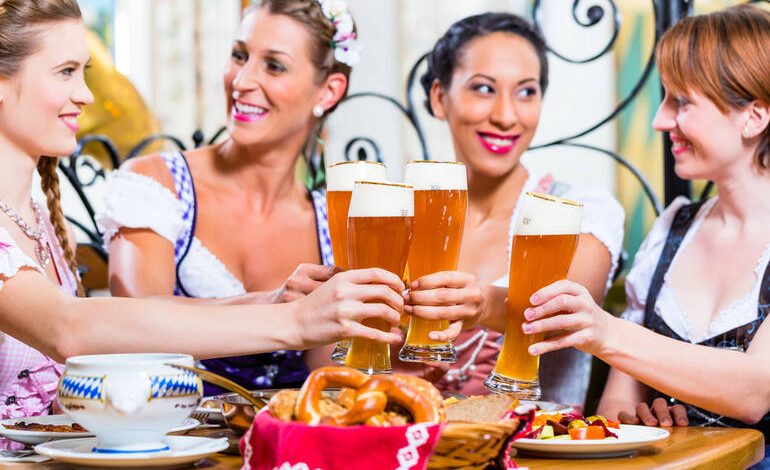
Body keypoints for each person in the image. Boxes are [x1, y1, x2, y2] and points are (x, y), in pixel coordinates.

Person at [0, 0, 404, 433]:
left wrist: (274, 300)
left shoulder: (36, 215)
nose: (87, 95)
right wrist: (294, 320)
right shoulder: (155, 186)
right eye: (65, 72)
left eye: (84, 72)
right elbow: (70, 329)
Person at [516, 4, 770, 451]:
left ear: (754, 116)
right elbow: (616, 405)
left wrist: (606, 331)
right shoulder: (672, 229)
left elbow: (753, 392)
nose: (660, 121)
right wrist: (640, 421)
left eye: (681, 102)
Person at [98, 0, 363, 393]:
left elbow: (332, 384)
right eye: (240, 55)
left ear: (328, 91)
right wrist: (272, 307)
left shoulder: (334, 222)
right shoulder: (156, 184)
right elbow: (134, 329)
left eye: (274, 65)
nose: (241, 81)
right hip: (168, 444)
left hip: (289, 443)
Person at [408, 13, 624, 407]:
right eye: (484, 88)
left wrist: (485, 305)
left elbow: (565, 311)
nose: (507, 116)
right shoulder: (398, 217)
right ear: (440, 98)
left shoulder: (582, 211)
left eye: (526, 92)